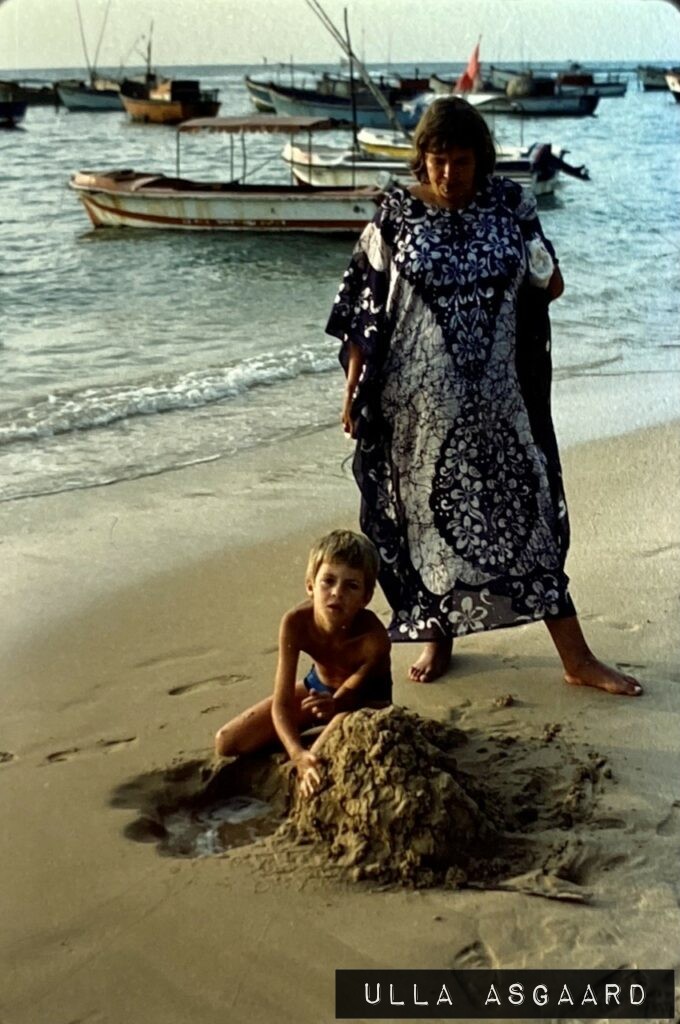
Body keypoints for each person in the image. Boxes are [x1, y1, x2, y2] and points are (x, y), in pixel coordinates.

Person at [326, 97, 641, 697]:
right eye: (438, 160)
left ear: (483, 160)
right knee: (427, 524)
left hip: (502, 399)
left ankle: (576, 658)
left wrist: (538, 267)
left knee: (532, 521)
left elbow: (550, 283)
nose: (450, 174)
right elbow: (361, 314)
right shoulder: (392, 220)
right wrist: (352, 391)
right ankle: (438, 636)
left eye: (463, 161)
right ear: (421, 160)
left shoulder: (511, 205)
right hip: (416, 407)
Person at [214, 529, 392, 796]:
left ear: (366, 597)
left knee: (318, 760)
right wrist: (296, 752)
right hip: (317, 688)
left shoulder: (374, 639)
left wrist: (319, 733)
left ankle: (314, 739)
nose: (337, 593)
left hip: (364, 701)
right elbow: (282, 701)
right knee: (227, 742)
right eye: (328, 581)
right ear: (310, 585)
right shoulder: (295, 623)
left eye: (351, 586)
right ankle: (306, 735)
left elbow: (347, 700)